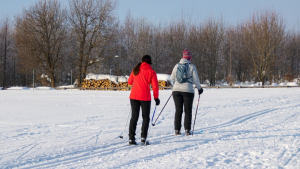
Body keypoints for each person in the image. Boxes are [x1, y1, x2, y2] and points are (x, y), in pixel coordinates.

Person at [128, 55, 160, 145]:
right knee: (145, 117)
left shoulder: (136, 69)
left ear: (142, 61)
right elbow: (155, 86)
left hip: (134, 96)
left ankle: (131, 138)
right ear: (150, 62)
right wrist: (156, 97)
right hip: (145, 97)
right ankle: (143, 138)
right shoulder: (151, 72)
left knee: (134, 117)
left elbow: (129, 82)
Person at [170, 49, 203, 136]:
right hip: (188, 90)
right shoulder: (192, 66)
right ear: (189, 58)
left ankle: (177, 130)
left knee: (178, 110)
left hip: (176, 91)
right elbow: (196, 79)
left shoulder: (176, 66)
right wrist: (199, 88)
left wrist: (176, 86)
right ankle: (187, 130)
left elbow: (172, 78)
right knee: (188, 111)